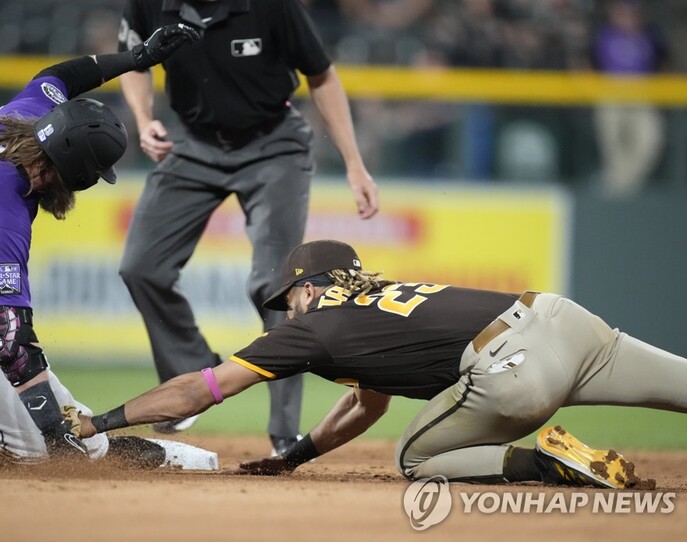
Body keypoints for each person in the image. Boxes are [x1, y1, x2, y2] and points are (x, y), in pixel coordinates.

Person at [81, 239, 687, 488]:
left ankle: (546, 463)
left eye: (288, 300)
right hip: (562, 318)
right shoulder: (385, 299)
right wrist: (293, 458)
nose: (287, 313)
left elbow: (200, 389)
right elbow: (366, 403)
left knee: (414, 460)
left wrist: (100, 422)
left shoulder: (315, 326)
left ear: (311, 288)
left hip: (514, 369)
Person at [0, 23, 201, 464]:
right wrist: (55, 437)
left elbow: (59, 76)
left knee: (79, 431)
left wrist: (137, 58)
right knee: (28, 448)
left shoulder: (27, 116)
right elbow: (9, 342)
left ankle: (98, 449)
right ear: (71, 171)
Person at [116, 0, 379, 455]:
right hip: (193, 144)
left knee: (275, 286)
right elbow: (134, 61)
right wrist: (143, 118)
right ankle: (192, 374)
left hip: (273, 145)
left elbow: (322, 76)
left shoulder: (272, 6)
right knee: (141, 267)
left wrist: (355, 164)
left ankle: (284, 433)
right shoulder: (150, 3)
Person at [591, 0, 669, 197]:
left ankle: (622, 186)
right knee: (613, 144)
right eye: (623, 14)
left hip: (642, 95)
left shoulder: (650, 37)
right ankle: (618, 187)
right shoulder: (603, 35)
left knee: (650, 142)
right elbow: (587, 63)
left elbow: (664, 64)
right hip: (612, 93)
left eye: (633, 15)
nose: (628, 19)